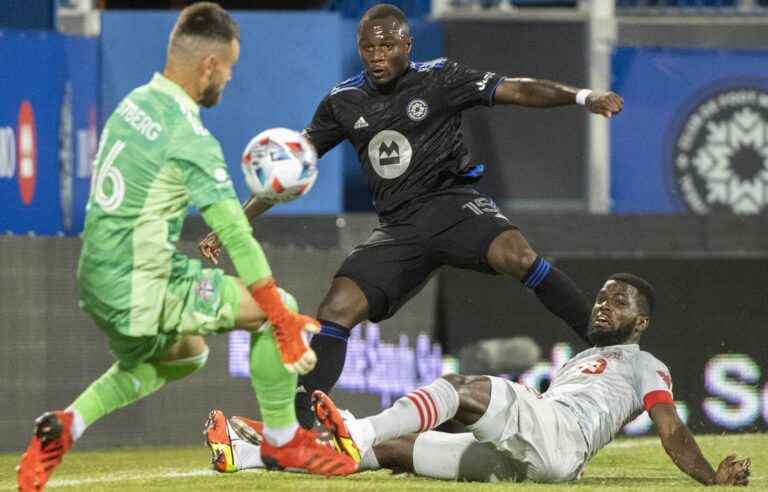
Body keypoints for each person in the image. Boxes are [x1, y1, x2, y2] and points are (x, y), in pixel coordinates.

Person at [199, 3, 624, 431]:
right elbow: (289, 170)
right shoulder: (341, 102)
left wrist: (583, 97)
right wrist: (240, 218)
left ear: (407, 44)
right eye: (367, 47)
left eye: (386, 45)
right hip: (399, 228)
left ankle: (606, 347)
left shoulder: (441, 78)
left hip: (453, 205)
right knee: (337, 306)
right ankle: (300, 420)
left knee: (517, 255)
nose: (376, 55)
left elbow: (515, 90)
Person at [15, 4, 355, 490]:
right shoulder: (188, 137)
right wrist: (280, 324)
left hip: (97, 275)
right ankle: (283, 439)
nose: (230, 80)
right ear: (210, 66)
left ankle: (68, 424)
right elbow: (235, 233)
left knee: (186, 353)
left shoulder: (133, 104)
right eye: (231, 69)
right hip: (140, 284)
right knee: (280, 305)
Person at [213, 273, 752, 486]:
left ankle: (361, 427)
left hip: (558, 437)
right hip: (529, 459)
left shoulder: (644, 364)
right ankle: (254, 455)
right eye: (602, 296)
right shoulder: (577, 363)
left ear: (642, 321)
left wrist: (711, 479)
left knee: (464, 386)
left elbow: (671, 429)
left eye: (619, 301)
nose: (604, 304)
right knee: (399, 451)